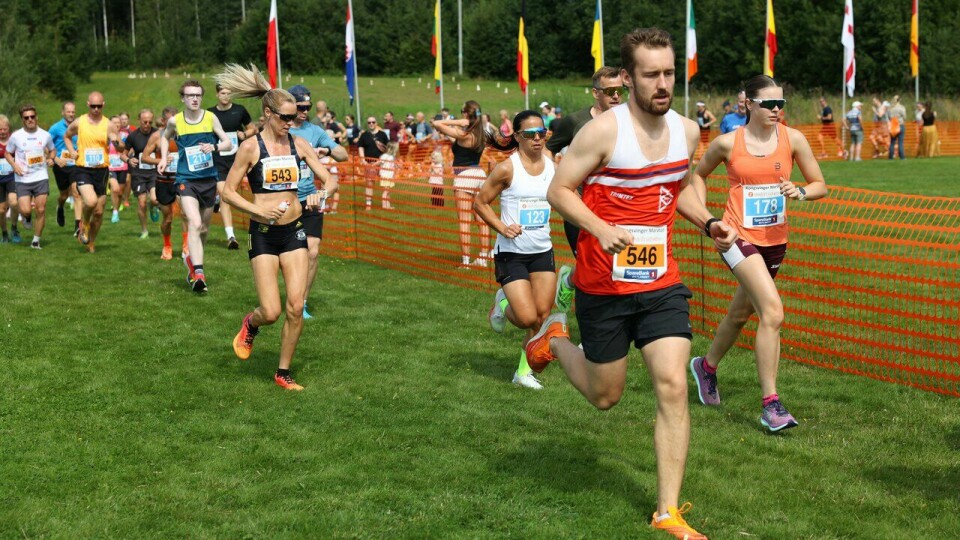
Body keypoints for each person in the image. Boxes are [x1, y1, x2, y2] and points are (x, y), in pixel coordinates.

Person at [541, 28, 736, 539]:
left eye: (669, 72)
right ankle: (554, 339)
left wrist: (709, 222)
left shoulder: (688, 132)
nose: (662, 83)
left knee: (672, 385)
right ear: (627, 77)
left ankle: (667, 511)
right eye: (651, 74)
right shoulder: (603, 132)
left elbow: (676, 192)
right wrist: (601, 228)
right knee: (605, 396)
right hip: (603, 285)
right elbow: (559, 191)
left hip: (660, 282)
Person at [688, 74, 828, 434]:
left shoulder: (792, 138)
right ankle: (771, 405)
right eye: (769, 104)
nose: (776, 110)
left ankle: (706, 366)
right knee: (773, 311)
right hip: (737, 237)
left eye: (781, 103)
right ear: (748, 103)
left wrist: (799, 191)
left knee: (739, 315)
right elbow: (697, 177)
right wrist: (711, 220)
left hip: (775, 241)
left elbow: (819, 184)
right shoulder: (726, 143)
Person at [217, 64, 332, 391]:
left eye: (295, 117)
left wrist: (321, 195)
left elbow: (330, 178)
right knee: (271, 311)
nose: (292, 122)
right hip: (264, 235)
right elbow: (227, 191)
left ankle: (283, 372)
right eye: (285, 117)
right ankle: (250, 324)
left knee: (296, 307)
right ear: (267, 114)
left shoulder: (298, 144)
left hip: (294, 231)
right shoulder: (251, 147)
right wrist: (258, 211)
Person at [475, 110, 557, 390]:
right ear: (517, 137)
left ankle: (523, 373)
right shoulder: (507, 168)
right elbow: (481, 202)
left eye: (541, 133)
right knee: (525, 318)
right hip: (511, 252)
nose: (537, 139)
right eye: (529, 135)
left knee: (542, 317)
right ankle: (502, 302)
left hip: (542, 250)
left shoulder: (552, 164)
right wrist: (501, 227)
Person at [545, 65, 626, 312]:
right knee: (593, 265)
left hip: (617, 203)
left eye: (619, 91)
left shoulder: (628, 120)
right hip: (580, 204)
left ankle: (570, 280)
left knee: (616, 263)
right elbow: (550, 147)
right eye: (609, 90)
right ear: (595, 92)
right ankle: (595, 327)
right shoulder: (575, 121)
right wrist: (555, 175)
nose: (615, 96)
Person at [157, 80, 234, 292]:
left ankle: (191, 261)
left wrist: (214, 146)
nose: (194, 99)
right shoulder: (175, 121)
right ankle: (198, 272)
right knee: (195, 221)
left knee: (204, 228)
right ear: (182, 98)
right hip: (186, 180)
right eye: (190, 95)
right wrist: (164, 158)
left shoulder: (210, 118)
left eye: (198, 95)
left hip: (208, 179)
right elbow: (164, 138)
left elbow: (228, 142)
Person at [287, 84, 348, 321]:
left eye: (308, 107)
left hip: (311, 199)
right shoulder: (281, 130)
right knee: (289, 255)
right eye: (300, 106)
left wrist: (326, 150)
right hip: (285, 200)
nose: (304, 111)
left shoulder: (315, 130)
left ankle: (301, 302)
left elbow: (343, 154)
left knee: (312, 253)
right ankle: (289, 295)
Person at [63, 91, 127, 253]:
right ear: (88, 104)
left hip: (102, 170)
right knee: (90, 202)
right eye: (93, 106)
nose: (96, 109)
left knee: (98, 212)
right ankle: (83, 224)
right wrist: (71, 151)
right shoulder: (80, 122)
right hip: (83, 168)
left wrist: (117, 142)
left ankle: (91, 241)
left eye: (99, 106)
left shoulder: (109, 125)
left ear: (103, 105)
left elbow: (120, 147)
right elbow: (67, 136)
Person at [433, 100, 493, 267]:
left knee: (465, 220)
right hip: (480, 175)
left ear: (466, 115)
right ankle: (483, 257)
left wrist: (458, 122)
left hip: (464, 176)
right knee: (482, 219)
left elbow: (437, 123)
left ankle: (466, 261)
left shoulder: (464, 135)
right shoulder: (481, 135)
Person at [209, 83, 258, 250]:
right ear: (217, 95)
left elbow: (253, 129)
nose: (226, 96)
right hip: (218, 160)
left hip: (238, 159)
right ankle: (231, 236)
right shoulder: (210, 114)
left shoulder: (240, 110)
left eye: (229, 93)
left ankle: (218, 201)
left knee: (229, 195)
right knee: (225, 194)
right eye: (223, 93)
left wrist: (244, 134)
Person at [5, 105, 56, 249]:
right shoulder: (16, 136)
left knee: (40, 209)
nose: (30, 120)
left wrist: (51, 158)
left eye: (32, 117)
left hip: (41, 177)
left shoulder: (45, 135)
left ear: (36, 117)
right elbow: (8, 153)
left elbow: (52, 150)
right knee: (26, 210)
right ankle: (26, 217)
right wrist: (15, 166)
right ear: (22, 120)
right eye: (26, 118)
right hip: (23, 179)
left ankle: (35, 241)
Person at [142, 106, 183, 260]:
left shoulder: (184, 135)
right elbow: (144, 157)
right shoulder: (156, 136)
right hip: (163, 181)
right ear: (164, 121)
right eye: (170, 120)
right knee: (168, 218)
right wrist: (161, 160)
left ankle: (186, 247)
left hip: (181, 180)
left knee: (186, 214)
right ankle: (167, 245)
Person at [124, 108, 161, 239]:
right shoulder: (133, 136)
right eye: (144, 122)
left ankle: (154, 206)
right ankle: (144, 230)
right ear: (139, 120)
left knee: (155, 200)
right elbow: (122, 154)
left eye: (150, 122)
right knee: (141, 202)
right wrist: (128, 159)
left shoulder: (157, 134)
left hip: (154, 172)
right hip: (138, 173)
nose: (147, 125)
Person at [48, 101, 80, 232]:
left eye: (73, 111)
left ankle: (78, 225)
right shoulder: (55, 128)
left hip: (76, 164)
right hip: (61, 165)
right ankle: (60, 207)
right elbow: (45, 145)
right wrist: (54, 158)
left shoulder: (79, 126)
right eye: (68, 111)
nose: (71, 114)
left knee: (76, 192)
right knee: (64, 195)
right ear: (63, 112)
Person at [356, 116, 389, 211]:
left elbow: (387, 148)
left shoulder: (382, 134)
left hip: (382, 163)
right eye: (369, 122)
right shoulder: (364, 135)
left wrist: (382, 160)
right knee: (369, 183)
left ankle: (386, 204)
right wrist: (363, 160)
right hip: (369, 163)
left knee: (386, 184)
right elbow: (360, 147)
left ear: (376, 123)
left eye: (373, 122)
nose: (371, 124)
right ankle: (368, 204)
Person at [0, 115, 20, 244]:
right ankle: (4, 233)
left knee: (14, 202)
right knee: (1, 209)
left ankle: (14, 228)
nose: (2, 132)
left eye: (4, 129)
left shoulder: (15, 139)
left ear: (9, 128)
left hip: (13, 176)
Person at [107, 115, 130, 224]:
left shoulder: (125, 135)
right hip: (110, 166)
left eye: (118, 122)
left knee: (120, 192)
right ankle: (115, 212)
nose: (117, 124)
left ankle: (117, 206)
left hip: (122, 165)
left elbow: (130, 147)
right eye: (114, 122)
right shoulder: (106, 135)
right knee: (115, 189)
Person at [379, 142, 400, 210]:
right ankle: (384, 205)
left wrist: (397, 166)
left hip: (390, 176)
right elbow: (380, 162)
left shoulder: (392, 157)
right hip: (386, 176)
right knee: (386, 191)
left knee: (388, 191)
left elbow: (393, 165)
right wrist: (374, 164)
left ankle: (388, 205)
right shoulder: (385, 156)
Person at [887, 95, 906, 160]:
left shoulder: (890, 108)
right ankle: (902, 157)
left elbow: (889, 117)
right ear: (899, 100)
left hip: (893, 126)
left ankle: (890, 157)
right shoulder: (901, 107)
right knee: (900, 142)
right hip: (900, 125)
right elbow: (904, 116)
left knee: (892, 142)